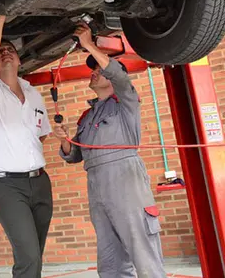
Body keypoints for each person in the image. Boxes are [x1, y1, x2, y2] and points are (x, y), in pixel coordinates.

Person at [53, 23, 166, 278]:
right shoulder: (87, 116)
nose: (93, 73)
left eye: (98, 70)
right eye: (92, 69)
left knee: (142, 252)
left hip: (125, 179)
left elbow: (120, 77)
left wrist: (90, 45)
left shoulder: (126, 102)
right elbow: (76, 155)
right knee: (110, 259)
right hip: (97, 186)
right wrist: (64, 141)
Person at [0, 11, 54, 278]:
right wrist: (3, 14)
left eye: (10, 50)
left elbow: (40, 134)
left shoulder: (33, 94)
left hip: (40, 183)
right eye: (1, 51)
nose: (5, 53)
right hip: (7, 186)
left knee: (35, 256)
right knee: (28, 255)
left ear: (19, 59)